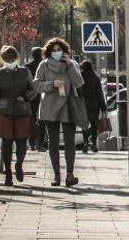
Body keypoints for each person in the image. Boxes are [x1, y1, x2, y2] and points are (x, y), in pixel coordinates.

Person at [34, 36, 86, 186]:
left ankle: (70, 175)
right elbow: (37, 85)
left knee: (70, 142)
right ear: (49, 52)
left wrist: (70, 65)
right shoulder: (44, 65)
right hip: (50, 107)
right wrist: (52, 84)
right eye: (54, 50)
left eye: (59, 50)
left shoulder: (72, 64)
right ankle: (56, 175)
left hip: (68, 107)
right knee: (53, 143)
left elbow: (79, 83)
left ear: (65, 51)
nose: (56, 52)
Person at [0, 45, 36, 186]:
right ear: (2, 59)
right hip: (5, 112)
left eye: (12, 58)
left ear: (16, 58)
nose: (10, 60)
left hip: (22, 111)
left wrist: (25, 97)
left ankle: (19, 164)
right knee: (6, 144)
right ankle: (8, 174)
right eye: (7, 58)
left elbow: (33, 89)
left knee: (21, 143)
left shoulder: (25, 72)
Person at [79, 58, 108, 154]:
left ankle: (86, 142)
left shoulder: (80, 77)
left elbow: (78, 92)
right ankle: (94, 144)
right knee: (94, 124)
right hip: (94, 105)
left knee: (84, 125)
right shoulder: (95, 77)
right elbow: (99, 93)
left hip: (83, 104)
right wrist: (103, 107)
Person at [26, 46, 45, 149]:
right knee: (42, 121)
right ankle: (41, 143)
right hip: (44, 96)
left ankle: (32, 142)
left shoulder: (26, 66)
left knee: (31, 120)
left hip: (31, 97)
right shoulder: (45, 65)